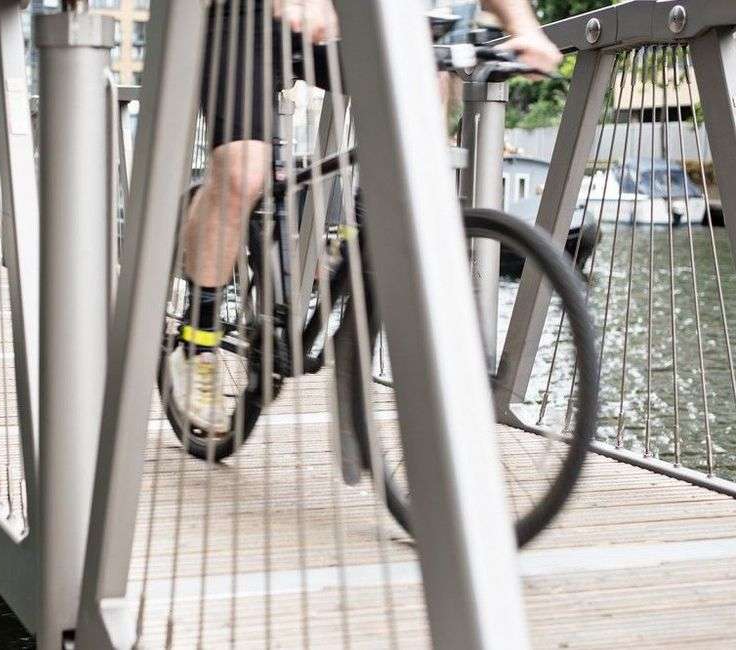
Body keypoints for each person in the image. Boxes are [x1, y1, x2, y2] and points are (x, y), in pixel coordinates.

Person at [170, 0, 563, 433]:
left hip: (343, 15)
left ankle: (365, 226)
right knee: (243, 172)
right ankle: (198, 340)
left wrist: (524, 27)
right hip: (241, 14)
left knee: (423, 75)